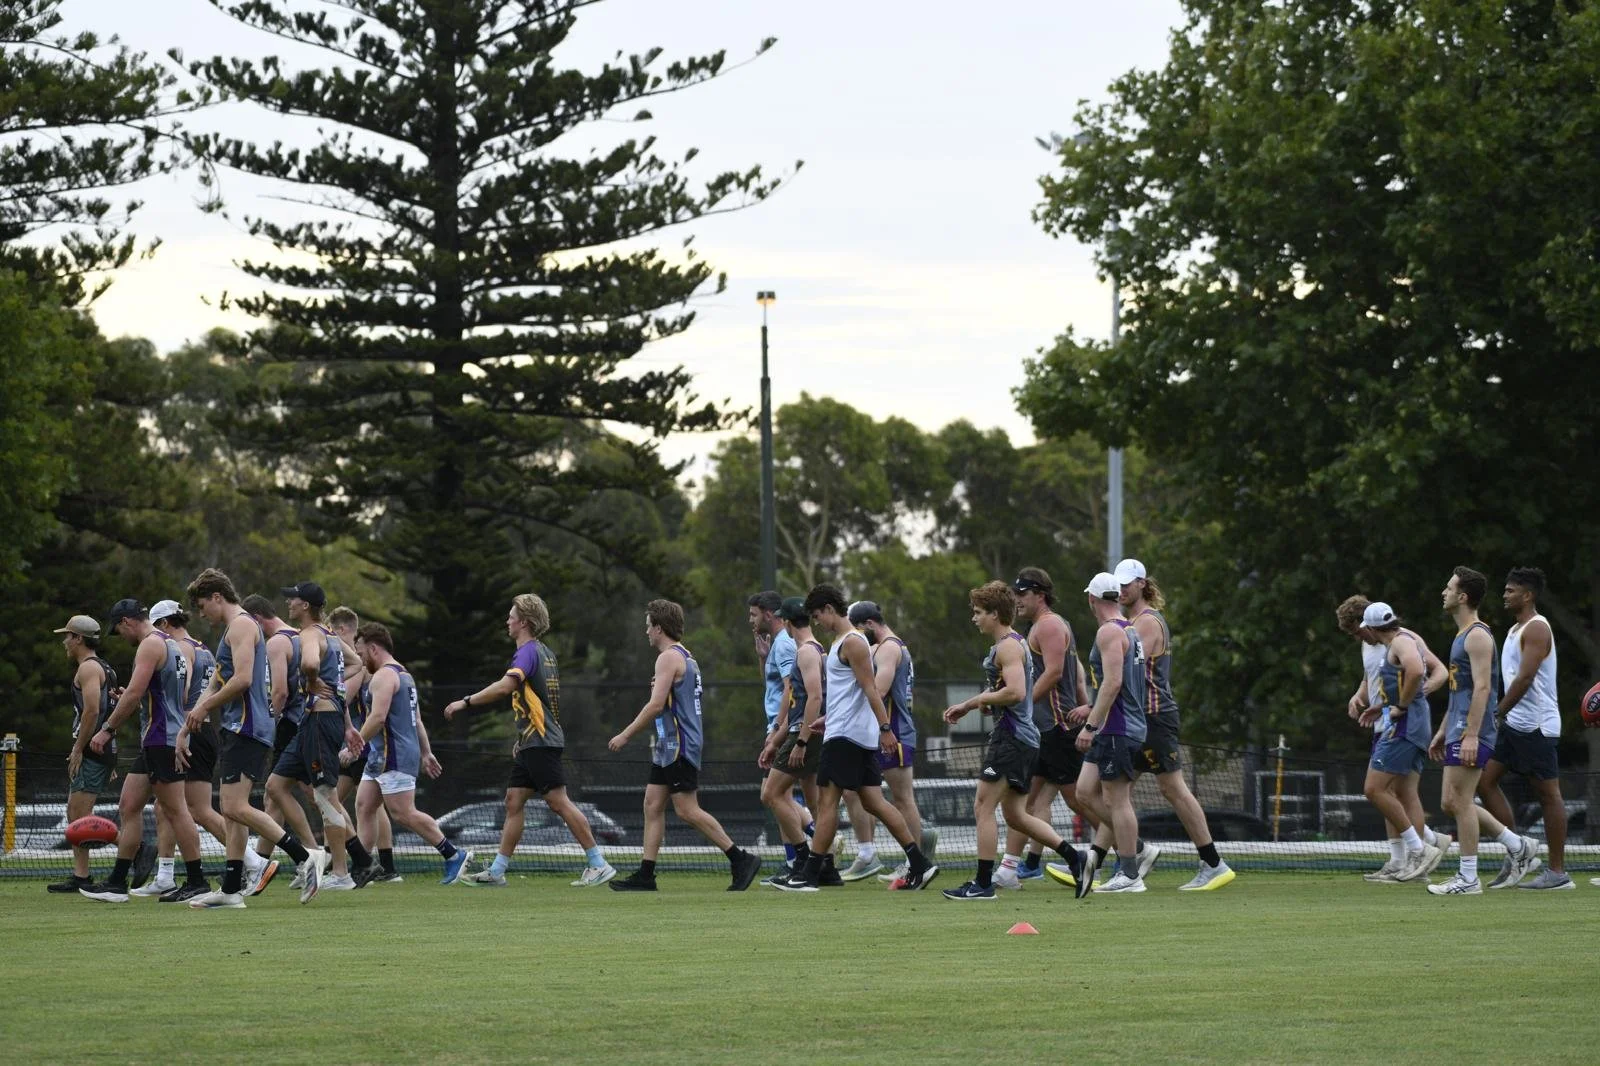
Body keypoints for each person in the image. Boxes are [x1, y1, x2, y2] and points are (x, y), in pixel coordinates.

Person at [774, 584, 937, 893]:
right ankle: (920, 864)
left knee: (827, 801)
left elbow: (871, 689)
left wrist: (886, 729)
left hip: (847, 736)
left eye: (818, 615)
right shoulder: (842, 642)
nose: (817, 622)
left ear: (828, 610)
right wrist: (827, 716)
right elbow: (848, 692)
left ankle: (809, 875)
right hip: (845, 730)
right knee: (874, 801)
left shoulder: (853, 642)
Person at [445, 593, 614, 887]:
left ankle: (598, 863)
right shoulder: (545, 652)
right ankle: (497, 871)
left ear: (523, 622)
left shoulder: (527, 652)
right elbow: (539, 703)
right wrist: (522, 737)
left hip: (541, 741)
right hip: (532, 741)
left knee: (559, 802)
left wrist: (465, 702)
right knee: (514, 801)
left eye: (511, 616)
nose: (507, 620)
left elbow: (506, 686)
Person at [179, 568, 320, 909]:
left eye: (202, 606)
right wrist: (187, 726)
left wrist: (203, 711)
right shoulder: (232, 630)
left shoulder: (242, 625)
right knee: (231, 813)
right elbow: (215, 682)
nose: (201, 614)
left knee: (234, 806)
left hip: (248, 727)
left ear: (217, 597)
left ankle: (304, 858)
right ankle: (230, 890)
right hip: (237, 728)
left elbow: (241, 680)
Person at [941, 582, 1086, 901]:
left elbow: (1017, 692)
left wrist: (971, 703)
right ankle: (1077, 858)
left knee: (983, 806)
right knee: (1016, 815)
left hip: (1012, 738)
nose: (974, 619)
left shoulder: (1007, 646)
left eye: (978, 613)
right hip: (1023, 738)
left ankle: (982, 884)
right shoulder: (1012, 643)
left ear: (995, 614)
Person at [608, 600, 763, 892]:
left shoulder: (668, 658)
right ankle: (646, 874)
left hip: (678, 744)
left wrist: (625, 735)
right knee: (652, 804)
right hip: (668, 746)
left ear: (659, 627)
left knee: (687, 810)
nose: (646, 633)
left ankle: (740, 858)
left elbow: (655, 706)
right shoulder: (686, 657)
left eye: (648, 627)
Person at [1112, 559, 1234, 891]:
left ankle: (1212, 863)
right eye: (1118, 585)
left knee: (1171, 789)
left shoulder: (1147, 622)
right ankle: (1117, 862)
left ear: (1141, 584)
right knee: (1115, 791)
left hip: (1153, 717)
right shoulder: (1131, 620)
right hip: (1139, 717)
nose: (1121, 590)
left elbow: (1129, 666)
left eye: (1127, 584)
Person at [80, 599, 211, 903]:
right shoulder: (173, 645)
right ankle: (116, 882)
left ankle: (197, 880)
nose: (121, 637)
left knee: (177, 810)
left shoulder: (150, 645)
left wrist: (107, 729)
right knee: (129, 805)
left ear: (127, 621)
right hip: (158, 736)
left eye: (119, 630)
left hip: (161, 738)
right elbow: (167, 693)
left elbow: (138, 691)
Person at [1427, 567, 1541, 895]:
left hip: (1473, 729)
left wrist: (1472, 734)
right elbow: (1458, 691)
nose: (1443, 593)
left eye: (1449, 588)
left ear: (1463, 597)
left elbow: (1482, 689)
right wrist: (1443, 730)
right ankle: (1518, 845)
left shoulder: (1477, 635)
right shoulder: (1461, 636)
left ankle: (1468, 878)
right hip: (1459, 727)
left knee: (1458, 800)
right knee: (1452, 801)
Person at [1335, 595, 1451, 882]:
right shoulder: (1374, 644)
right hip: (1387, 722)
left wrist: (1407, 701)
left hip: (1403, 724)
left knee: (1379, 790)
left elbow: (1434, 672)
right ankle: (1402, 861)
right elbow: (1371, 677)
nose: (1358, 636)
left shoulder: (1405, 640)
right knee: (1392, 793)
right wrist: (1362, 697)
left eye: (1358, 630)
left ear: (1369, 624)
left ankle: (1420, 849)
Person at [1048, 573, 1148, 896]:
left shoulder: (1108, 631)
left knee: (1117, 800)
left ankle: (1131, 871)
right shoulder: (1129, 629)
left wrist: (1091, 724)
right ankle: (1138, 847)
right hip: (1117, 725)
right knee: (1084, 791)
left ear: (1092, 599)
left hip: (1117, 727)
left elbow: (1113, 682)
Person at [352, 623, 470, 884]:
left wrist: (354, 745)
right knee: (364, 805)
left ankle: (453, 855)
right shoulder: (405, 675)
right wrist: (426, 752)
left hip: (393, 755)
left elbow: (378, 717)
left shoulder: (384, 676)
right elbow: (416, 718)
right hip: (380, 757)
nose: (360, 659)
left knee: (403, 813)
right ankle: (362, 868)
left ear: (373, 648)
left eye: (361, 653)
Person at [131, 600, 233, 898]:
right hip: (200, 728)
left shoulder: (178, 648)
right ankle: (165, 874)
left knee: (194, 809)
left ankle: (251, 861)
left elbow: (182, 694)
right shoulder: (202, 647)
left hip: (188, 730)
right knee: (165, 806)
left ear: (164, 623)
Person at [1479, 567, 1572, 890]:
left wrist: (1496, 713)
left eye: (1510, 590)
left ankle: (1557, 873)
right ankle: (1518, 852)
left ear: (1528, 595)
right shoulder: (1514, 630)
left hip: (1536, 725)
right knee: (1484, 781)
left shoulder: (1537, 628)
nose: (1504, 595)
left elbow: (1525, 678)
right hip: (1514, 724)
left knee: (1548, 795)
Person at [1002, 568, 1095, 888]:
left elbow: (1056, 673)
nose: (1017, 601)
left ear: (1039, 594)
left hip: (1057, 728)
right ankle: (1009, 869)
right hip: (1041, 730)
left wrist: (1021, 704)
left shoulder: (1051, 624)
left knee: (1080, 800)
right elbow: (1077, 673)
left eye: (1022, 595)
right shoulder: (1040, 627)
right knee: (1024, 802)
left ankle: (1132, 852)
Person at [847, 601, 938, 885]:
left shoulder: (889, 648)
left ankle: (915, 863)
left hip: (894, 732)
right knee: (861, 793)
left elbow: (880, 689)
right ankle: (914, 851)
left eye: (860, 631)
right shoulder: (886, 647)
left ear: (871, 624)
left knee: (902, 798)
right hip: (883, 732)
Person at [241, 593, 320, 889]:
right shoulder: (301, 637)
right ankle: (264, 862)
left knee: (298, 792)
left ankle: (317, 856)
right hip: (304, 724)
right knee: (275, 796)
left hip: (288, 725)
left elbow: (280, 692)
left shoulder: (276, 642)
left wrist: (268, 721)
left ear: (257, 619)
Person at [47, 616, 119, 895]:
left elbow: (92, 711)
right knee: (76, 812)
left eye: (68, 636)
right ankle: (81, 875)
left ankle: (135, 849)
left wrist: (79, 748)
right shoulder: (105, 667)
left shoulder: (88, 668)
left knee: (79, 814)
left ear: (78, 638)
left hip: (91, 749)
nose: (65, 642)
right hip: (101, 749)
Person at [758, 597, 823, 884]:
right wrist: (775, 740)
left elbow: (813, 698)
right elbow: (797, 700)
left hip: (803, 732)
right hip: (797, 730)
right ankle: (823, 862)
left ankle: (802, 859)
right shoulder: (809, 650)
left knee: (771, 794)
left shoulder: (806, 652)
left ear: (786, 621)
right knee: (815, 802)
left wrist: (801, 741)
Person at [330, 605, 397, 882]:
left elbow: (344, 698)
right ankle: (378, 865)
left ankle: (361, 861)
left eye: (332, 631)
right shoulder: (357, 659)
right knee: (363, 804)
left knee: (335, 799)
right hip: (358, 741)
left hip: (359, 741)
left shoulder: (356, 661)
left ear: (342, 630)